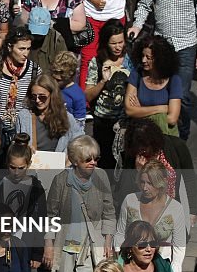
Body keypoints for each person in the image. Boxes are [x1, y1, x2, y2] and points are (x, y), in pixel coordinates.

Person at [127, 0, 197, 138]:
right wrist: (136, 26)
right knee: (160, 92)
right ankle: (161, 133)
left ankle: (181, 138)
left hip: (186, 46)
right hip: (161, 46)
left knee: (183, 96)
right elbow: (145, 5)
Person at [45, 135, 116, 272]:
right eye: (88, 159)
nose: (93, 163)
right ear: (75, 161)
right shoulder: (61, 181)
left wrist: (108, 241)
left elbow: (109, 211)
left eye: (96, 158)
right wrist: (48, 244)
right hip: (66, 245)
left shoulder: (101, 177)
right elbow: (51, 215)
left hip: (89, 246)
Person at [115, 164, 188, 272]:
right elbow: (120, 233)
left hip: (161, 267)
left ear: (162, 182)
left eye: (150, 183)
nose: (145, 188)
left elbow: (179, 246)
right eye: (142, 182)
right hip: (132, 264)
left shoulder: (175, 208)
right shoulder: (130, 200)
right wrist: (119, 262)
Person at [84, 21, 133, 170]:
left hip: (126, 120)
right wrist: (103, 81)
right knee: (105, 162)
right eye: (113, 43)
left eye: (121, 42)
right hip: (103, 121)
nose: (118, 47)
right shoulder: (97, 62)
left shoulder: (131, 60)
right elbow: (88, 95)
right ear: (106, 43)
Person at [0, 26, 39, 138]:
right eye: (21, 49)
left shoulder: (34, 70)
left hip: (21, 129)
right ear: (9, 47)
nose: (25, 54)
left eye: (28, 49)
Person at [124, 35, 182, 137]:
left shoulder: (174, 79)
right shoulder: (136, 74)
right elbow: (129, 110)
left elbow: (172, 119)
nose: (143, 60)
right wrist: (161, 109)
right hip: (139, 136)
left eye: (149, 58)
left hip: (165, 137)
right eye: (142, 56)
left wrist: (141, 111)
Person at [13, 73, 82, 151]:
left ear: (52, 95)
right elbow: (17, 145)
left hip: (58, 162)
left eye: (42, 97)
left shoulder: (67, 118)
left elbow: (80, 142)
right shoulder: (24, 116)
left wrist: (68, 160)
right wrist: (24, 149)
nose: (37, 100)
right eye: (34, 96)